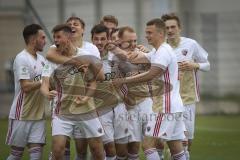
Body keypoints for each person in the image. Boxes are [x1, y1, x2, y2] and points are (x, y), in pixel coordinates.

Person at [110, 18, 187, 160]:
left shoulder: (163, 52)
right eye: (146, 32)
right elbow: (142, 58)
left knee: (147, 144)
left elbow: (152, 73)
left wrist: (124, 80)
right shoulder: (158, 51)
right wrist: (123, 53)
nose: (146, 36)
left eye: (149, 32)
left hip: (164, 106)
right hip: (173, 105)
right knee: (175, 146)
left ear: (160, 34)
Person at [41, 24, 105, 160]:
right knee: (58, 149)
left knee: (97, 149)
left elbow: (96, 80)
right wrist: (46, 93)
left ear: (69, 37)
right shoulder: (52, 59)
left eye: (59, 37)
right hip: (62, 110)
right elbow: (44, 83)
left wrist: (86, 98)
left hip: (86, 109)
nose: (55, 41)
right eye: (54, 38)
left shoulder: (85, 55)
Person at [161, 13, 210, 160]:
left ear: (179, 28)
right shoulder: (161, 48)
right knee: (170, 138)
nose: (170, 30)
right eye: (166, 28)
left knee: (188, 140)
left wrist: (193, 65)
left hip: (187, 98)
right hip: (168, 99)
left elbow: (207, 65)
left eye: (173, 27)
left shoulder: (191, 44)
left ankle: (182, 154)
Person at [5, 24, 46, 160]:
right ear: (34, 40)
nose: (45, 41)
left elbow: (48, 83)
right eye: (42, 37)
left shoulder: (42, 60)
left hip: (38, 115)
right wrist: (44, 82)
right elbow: (26, 87)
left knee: (37, 153)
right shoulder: (22, 58)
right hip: (21, 114)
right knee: (16, 154)